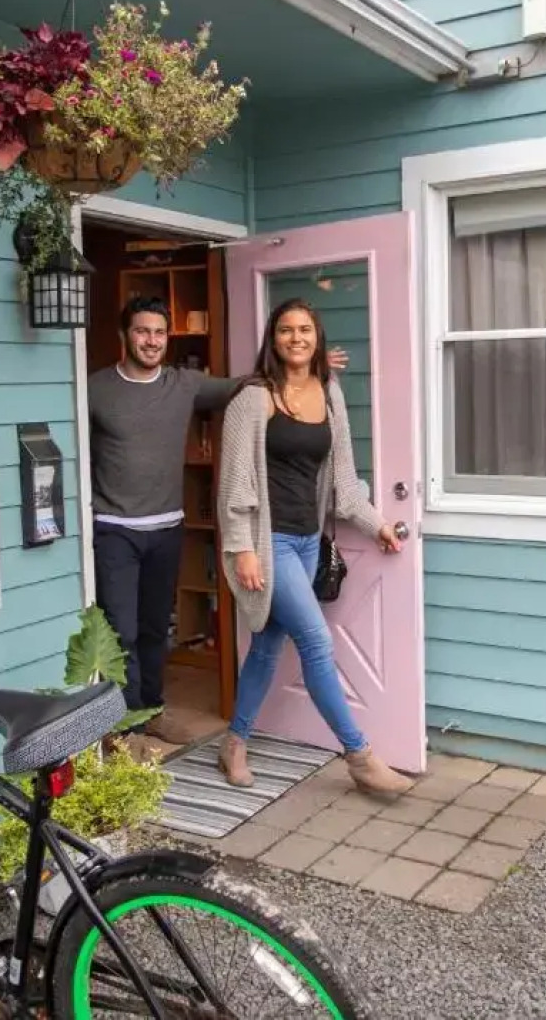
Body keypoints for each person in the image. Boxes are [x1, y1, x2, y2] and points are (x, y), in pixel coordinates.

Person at [88, 295, 347, 752]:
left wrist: (306, 362)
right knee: (120, 631)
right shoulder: (95, 389)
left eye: (159, 333)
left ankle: (152, 709)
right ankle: (125, 728)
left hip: (167, 527)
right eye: (142, 331)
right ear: (124, 335)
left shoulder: (184, 384)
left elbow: (251, 385)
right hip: (115, 527)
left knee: (155, 629)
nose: (151, 340)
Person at [214, 297, 407, 796]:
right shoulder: (252, 399)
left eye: (305, 329)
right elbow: (234, 484)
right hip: (269, 542)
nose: (296, 338)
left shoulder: (330, 391)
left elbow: (343, 477)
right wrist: (242, 549)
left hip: (306, 541)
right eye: (286, 330)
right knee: (317, 643)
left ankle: (234, 742)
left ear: (317, 337)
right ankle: (359, 756)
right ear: (273, 339)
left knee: (266, 646)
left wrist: (376, 524)